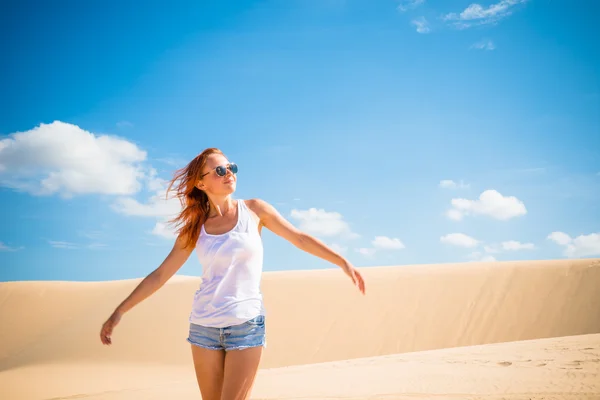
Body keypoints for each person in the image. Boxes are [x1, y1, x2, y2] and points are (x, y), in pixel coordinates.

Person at [99, 147, 366, 400]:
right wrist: (120, 310)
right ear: (201, 184)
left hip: (245, 324)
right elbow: (160, 275)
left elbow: (299, 239)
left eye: (231, 167)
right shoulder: (195, 228)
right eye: (219, 170)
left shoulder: (254, 210)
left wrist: (341, 261)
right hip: (203, 327)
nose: (229, 173)